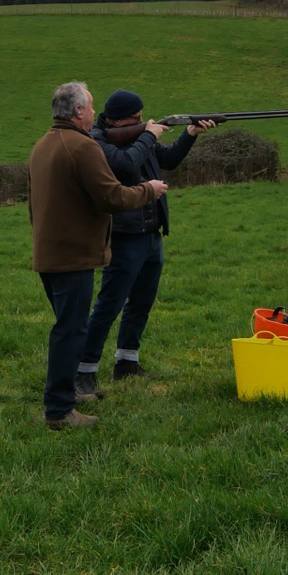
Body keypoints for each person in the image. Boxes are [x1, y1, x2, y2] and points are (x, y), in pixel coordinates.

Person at [28, 81, 167, 430]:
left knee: (68, 328)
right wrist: (148, 190)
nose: (95, 113)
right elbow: (112, 197)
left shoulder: (43, 144)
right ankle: (59, 410)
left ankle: (66, 396)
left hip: (50, 252)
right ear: (78, 111)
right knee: (70, 331)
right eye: (91, 107)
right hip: (74, 255)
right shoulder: (83, 146)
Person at [74, 89, 215, 399]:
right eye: (137, 118)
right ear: (118, 121)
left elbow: (169, 160)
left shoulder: (139, 137)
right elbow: (125, 165)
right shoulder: (98, 141)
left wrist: (190, 133)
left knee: (141, 302)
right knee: (109, 306)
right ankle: (83, 372)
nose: (143, 121)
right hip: (124, 236)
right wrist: (149, 135)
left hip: (151, 232)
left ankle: (127, 362)